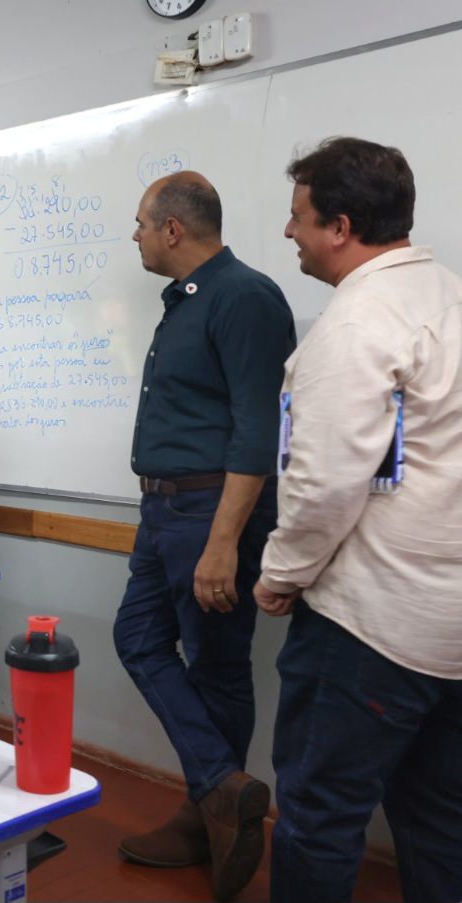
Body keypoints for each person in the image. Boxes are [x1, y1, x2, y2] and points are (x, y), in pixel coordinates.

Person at [254, 137, 462, 903]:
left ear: (339, 228)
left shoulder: (356, 321)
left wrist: (279, 575)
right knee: (439, 819)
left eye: (297, 217)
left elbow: (325, 484)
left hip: (369, 627)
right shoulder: (447, 295)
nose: (288, 231)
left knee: (318, 817)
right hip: (448, 626)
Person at [112, 171, 295, 902]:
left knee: (217, 666)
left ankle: (209, 810)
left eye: (140, 223)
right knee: (137, 638)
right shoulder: (186, 299)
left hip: (210, 512)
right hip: (164, 511)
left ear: (173, 228)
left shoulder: (243, 296)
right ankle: (219, 788)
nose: (134, 236)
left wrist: (223, 542)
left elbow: (258, 428)